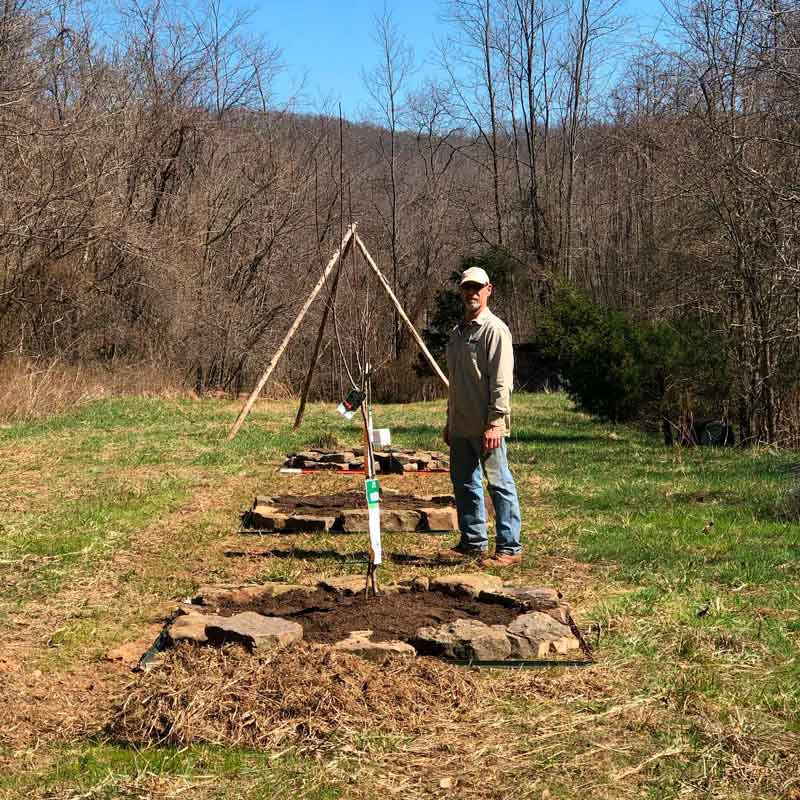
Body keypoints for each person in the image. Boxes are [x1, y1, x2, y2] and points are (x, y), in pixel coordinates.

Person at [442, 266, 522, 567]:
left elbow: (502, 382)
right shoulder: (457, 333)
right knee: (464, 484)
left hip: (487, 426)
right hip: (461, 425)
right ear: (461, 291)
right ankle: (473, 541)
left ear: (489, 289)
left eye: (478, 288)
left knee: (499, 484)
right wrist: (450, 421)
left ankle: (510, 548)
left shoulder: (494, 330)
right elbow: (456, 383)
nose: (472, 293)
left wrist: (496, 422)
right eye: (467, 288)